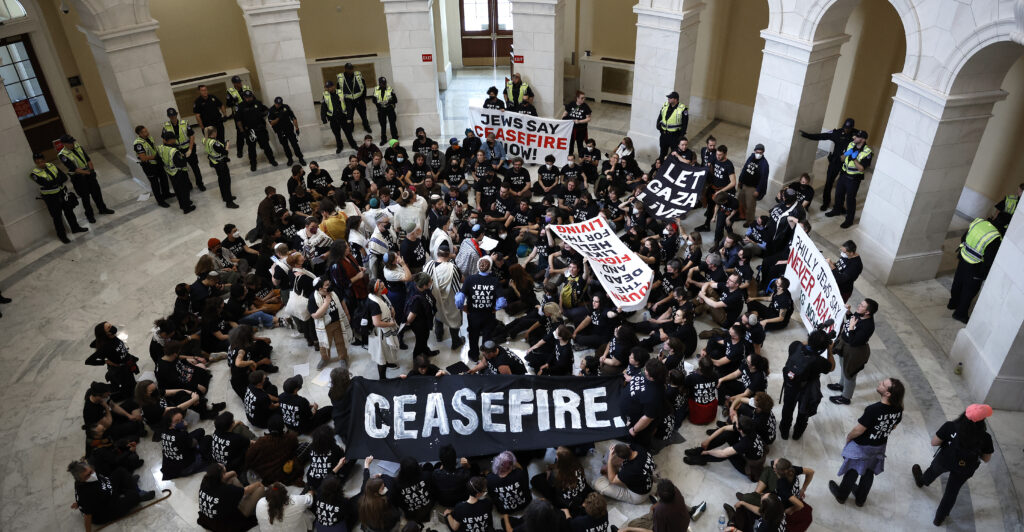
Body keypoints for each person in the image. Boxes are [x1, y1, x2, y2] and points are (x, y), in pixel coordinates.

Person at [911, 404, 995, 527]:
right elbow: (986, 459)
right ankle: (939, 518)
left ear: (964, 414)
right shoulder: (986, 438)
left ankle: (922, 481)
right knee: (952, 492)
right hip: (965, 468)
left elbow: (934, 442)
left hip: (945, 460)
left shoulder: (950, 426)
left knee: (933, 471)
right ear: (982, 421)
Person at [828, 378, 905, 507]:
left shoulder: (873, 409)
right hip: (879, 446)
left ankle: (841, 495)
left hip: (862, 446)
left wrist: (849, 437)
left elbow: (859, 430)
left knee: (852, 470)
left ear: (887, 394)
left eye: (883, 384)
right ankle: (860, 499)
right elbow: (894, 426)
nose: (879, 383)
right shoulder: (898, 409)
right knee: (869, 471)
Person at [779, 330, 834, 440]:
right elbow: (832, 367)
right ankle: (797, 434)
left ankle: (784, 432)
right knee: (803, 413)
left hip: (791, 385)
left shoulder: (794, 346)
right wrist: (830, 350)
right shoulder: (820, 361)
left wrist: (812, 339)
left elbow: (803, 344)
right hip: (807, 390)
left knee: (787, 409)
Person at [948, 217, 1002, 323]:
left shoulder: (979, 222)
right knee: (969, 291)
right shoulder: (995, 237)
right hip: (975, 267)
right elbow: (989, 259)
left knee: (958, 282)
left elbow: (963, 238)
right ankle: (960, 314)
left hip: (963, 257)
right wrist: (984, 274)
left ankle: (952, 303)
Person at [68, 460, 155, 525]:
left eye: (91, 471)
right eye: (87, 476)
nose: (92, 475)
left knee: (120, 471)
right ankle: (137, 494)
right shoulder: (85, 494)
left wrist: (79, 503)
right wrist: (82, 503)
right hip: (106, 510)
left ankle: (130, 487)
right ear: (80, 480)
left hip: (106, 491)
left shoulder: (84, 479)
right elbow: (87, 516)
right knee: (134, 496)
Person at [799, 117, 856, 211]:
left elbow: (861, 144)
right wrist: (807, 135)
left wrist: (847, 154)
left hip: (847, 164)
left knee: (843, 186)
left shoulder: (856, 135)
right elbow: (823, 136)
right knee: (829, 183)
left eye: (848, 128)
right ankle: (826, 202)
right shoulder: (837, 133)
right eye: (845, 128)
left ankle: (839, 205)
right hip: (835, 162)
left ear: (852, 128)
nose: (846, 130)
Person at [828, 298, 877, 405]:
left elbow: (854, 341)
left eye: (862, 306)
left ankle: (846, 397)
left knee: (849, 374)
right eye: (860, 304)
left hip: (854, 352)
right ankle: (841, 385)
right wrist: (849, 312)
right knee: (843, 366)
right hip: (844, 346)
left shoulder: (868, 326)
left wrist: (851, 327)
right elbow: (852, 319)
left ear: (867, 312)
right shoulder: (860, 314)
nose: (858, 306)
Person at [30, 152, 87, 243]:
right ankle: (62, 236)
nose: (40, 164)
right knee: (57, 217)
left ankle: (75, 228)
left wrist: (55, 182)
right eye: (38, 162)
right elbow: (46, 184)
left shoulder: (51, 165)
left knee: (69, 212)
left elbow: (64, 177)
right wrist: (57, 180)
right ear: (35, 162)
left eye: (42, 161)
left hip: (62, 193)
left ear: (44, 160)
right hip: (51, 197)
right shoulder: (34, 174)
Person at [58, 134, 114, 222]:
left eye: (72, 142)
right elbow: (74, 169)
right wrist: (88, 173)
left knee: (97, 193)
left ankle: (102, 209)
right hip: (78, 177)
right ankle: (89, 215)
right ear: (64, 144)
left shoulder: (77, 146)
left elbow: (88, 159)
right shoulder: (62, 155)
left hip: (88, 173)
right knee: (85, 197)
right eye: (70, 143)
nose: (72, 144)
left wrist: (92, 170)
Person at [459, 256, 505, 361]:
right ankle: (487, 356)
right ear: (490, 267)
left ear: (478, 265)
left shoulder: (470, 279)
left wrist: (462, 307)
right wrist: (496, 308)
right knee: (487, 336)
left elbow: (459, 298)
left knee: (473, 336)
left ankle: (474, 355)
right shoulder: (495, 281)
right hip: (489, 314)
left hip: (473, 315)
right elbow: (502, 301)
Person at [197, 463, 264, 532]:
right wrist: (258, 483)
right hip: (228, 522)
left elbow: (226, 477)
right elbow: (247, 489)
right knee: (260, 488)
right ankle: (247, 503)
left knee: (232, 478)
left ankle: (241, 497)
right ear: (222, 475)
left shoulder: (205, 481)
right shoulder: (227, 490)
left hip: (210, 518)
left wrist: (233, 472)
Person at [826, 129, 872, 228]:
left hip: (853, 179)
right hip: (843, 174)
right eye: (855, 135)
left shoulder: (867, 152)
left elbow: (862, 168)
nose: (854, 137)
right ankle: (837, 210)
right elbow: (842, 158)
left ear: (863, 140)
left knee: (850, 199)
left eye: (858, 137)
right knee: (838, 194)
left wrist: (854, 159)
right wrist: (845, 155)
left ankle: (849, 220)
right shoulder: (851, 144)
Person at [246, 415, 308, 486]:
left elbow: (248, 457)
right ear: (283, 427)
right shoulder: (290, 438)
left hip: (265, 475)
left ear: (269, 428)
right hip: (282, 473)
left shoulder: (261, 441)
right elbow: (295, 446)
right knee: (306, 445)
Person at [530, 446, 590, 512]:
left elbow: (551, 482)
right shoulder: (578, 466)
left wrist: (549, 473)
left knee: (535, 480)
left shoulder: (557, 475)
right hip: (578, 494)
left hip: (564, 503)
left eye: (557, 458)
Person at [620, 479, 692, 532]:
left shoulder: (660, 511)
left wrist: (628, 529)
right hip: (684, 521)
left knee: (632, 524)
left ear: (659, 496)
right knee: (652, 508)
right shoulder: (676, 490)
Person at [309, 277, 349, 369]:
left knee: (340, 341)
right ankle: (325, 358)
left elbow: (342, 301)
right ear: (320, 289)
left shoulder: (334, 292)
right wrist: (326, 303)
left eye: (329, 283)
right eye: (327, 285)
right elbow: (315, 315)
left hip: (337, 322)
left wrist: (347, 313)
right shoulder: (313, 298)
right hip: (324, 326)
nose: (330, 286)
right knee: (324, 344)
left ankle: (342, 358)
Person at [162, 109, 206, 191]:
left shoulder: (184, 123)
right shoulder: (166, 126)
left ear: (177, 114)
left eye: (174, 115)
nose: (173, 117)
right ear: (168, 116)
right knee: (182, 169)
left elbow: (192, 136)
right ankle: (188, 185)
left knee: (195, 167)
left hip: (188, 148)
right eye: (171, 116)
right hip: (177, 151)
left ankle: (200, 184)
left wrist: (190, 149)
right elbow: (164, 140)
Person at [696, 145, 737, 232]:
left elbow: (733, 183)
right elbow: (709, 164)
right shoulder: (715, 157)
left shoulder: (729, 165)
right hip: (714, 187)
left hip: (723, 191)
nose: (718, 156)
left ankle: (728, 232)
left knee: (723, 214)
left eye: (720, 155)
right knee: (710, 207)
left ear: (725, 154)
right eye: (717, 154)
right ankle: (707, 225)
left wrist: (720, 191)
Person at [161, 407, 210, 479]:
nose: (182, 422)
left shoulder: (164, 431)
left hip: (170, 465)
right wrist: (184, 428)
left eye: (182, 419)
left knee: (200, 431)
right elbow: (193, 444)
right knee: (208, 438)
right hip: (184, 468)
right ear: (170, 424)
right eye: (177, 421)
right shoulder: (182, 434)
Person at [236, 90, 279, 171]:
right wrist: (242, 131)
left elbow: (267, 110)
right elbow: (238, 120)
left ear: (252, 96)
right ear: (244, 97)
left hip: (260, 129)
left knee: (266, 146)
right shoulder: (241, 106)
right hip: (249, 131)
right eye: (247, 97)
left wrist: (264, 115)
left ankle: (272, 160)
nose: (249, 99)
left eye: (250, 97)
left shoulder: (258, 103)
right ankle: (253, 164)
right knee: (251, 149)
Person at [487, 450, 532, 526]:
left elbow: (492, 495)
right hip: (525, 504)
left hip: (504, 509)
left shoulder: (489, 478)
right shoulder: (519, 473)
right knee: (524, 466)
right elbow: (525, 486)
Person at [368, 279, 401, 379]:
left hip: (385, 328)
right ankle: (382, 379)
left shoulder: (381, 295)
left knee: (387, 351)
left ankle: (388, 363)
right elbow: (377, 322)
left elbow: (387, 304)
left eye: (384, 286)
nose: (385, 289)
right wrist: (391, 323)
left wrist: (391, 309)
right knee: (381, 355)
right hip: (380, 333)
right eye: (382, 288)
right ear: (375, 291)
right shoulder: (374, 303)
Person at [158, 130, 197, 213]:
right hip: (179, 173)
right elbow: (181, 163)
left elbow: (159, 160)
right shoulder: (173, 151)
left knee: (177, 190)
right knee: (184, 190)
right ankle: (187, 208)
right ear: (170, 140)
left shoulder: (161, 148)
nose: (175, 140)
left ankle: (182, 204)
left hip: (170, 172)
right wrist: (184, 156)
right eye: (174, 139)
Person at [358, 458, 402, 532]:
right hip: (387, 526)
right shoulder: (386, 499)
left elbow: (366, 480)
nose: (385, 488)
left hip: (370, 526)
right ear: (376, 493)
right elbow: (390, 482)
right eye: (382, 488)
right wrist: (382, 475)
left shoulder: (364, 495)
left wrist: (366, 465)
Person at [133, 126, 171, 208]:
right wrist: (155, 157)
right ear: (139, 134)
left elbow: (153, 149)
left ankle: (166, 194)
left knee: (164, 178)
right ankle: (160, 201)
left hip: (157, 163)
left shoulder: (149, 138)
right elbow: (143, 158)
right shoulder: (138, 144)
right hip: (149, 166)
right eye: (144, 132)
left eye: (146, 130)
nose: (147, 133)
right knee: (155, 184)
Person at [202, 126, 239, 209]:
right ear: (213, 133)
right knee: (226, 182)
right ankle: (229, 202)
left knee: (221, 180)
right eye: (215, 132)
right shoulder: (214, 143)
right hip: (221, 164)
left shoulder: (205, 140)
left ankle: (225, 197)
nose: (217, 133)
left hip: (215, 163)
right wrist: (227, 145)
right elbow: (225, 152)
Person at [268, 96, 306, 166]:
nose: (279, 105)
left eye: (280, 104)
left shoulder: (286, 107)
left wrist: (297, 128)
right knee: (285, 146)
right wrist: (278, 117)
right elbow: (271, 123)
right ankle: (290, 159)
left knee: (295, 144)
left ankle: (300, 158)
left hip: (289, 130)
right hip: (280, 131)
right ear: (275, 103)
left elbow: (293, 117)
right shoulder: (271, 110)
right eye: (277, 104)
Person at [737, 143, 769, 224]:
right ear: (754, 151)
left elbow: (763, 179)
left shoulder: (764, 164)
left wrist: (758, 190)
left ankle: (750, 221)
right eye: (757, 152)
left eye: (760, 153)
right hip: (744, 184)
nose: (758, 154)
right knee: (741, 201)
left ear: (763, 153)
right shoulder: (751, 157)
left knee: (750, 206)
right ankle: (743, 215)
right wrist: (740, 180)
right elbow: (745, 168)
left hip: (753, 187)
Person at [226, 75, 254, 157]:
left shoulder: (246, 88)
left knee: (252, 128)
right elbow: (228, 104)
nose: (239, 84)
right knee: (240, 132)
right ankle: (239, 150)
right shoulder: (230, 91)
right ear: (234, 83)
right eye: (237, 83)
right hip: (238, 115)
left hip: (248, 113)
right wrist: (233, 101)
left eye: (240, 82)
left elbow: (253, 98)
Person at [656, 91, 688, 159]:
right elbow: (660, 116)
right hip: (664, 135)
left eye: (670, 98)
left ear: (675, 99)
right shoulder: (665, 105)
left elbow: (685, 124)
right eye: (668, 98)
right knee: (662, 153)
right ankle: (661, 164)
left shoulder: (682, 109)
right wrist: (658, 126)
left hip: (674, 136)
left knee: (673, 155)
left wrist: (681, 136)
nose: (668, 99)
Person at [372, 77, 399, 145]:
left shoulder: (390, 89)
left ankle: (395, 138)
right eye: (382, 83)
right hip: (381, 110)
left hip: (389, 109)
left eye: (385, 83)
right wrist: (378, 104)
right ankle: (383, 139)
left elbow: (395, 100)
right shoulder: (376, 89)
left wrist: (389, 102)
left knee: (392, 124)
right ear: (379, 83)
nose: (384, 85)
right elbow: (374, 100)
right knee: (383, 125)